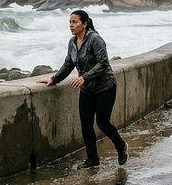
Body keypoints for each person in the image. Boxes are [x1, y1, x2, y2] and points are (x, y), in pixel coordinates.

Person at [37, 10, 128, 169]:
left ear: (85, 24)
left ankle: (121, 147)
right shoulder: (72, 42)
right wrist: (54, 79)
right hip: (87, 90)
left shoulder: (95, 40)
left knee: (102, 122)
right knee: (86, 125)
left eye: (75, 22)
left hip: (105, 87)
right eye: (70, 22)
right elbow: (68, 64)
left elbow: (103, 63)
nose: (71, 25)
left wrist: (84, 77)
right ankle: (92, 159)